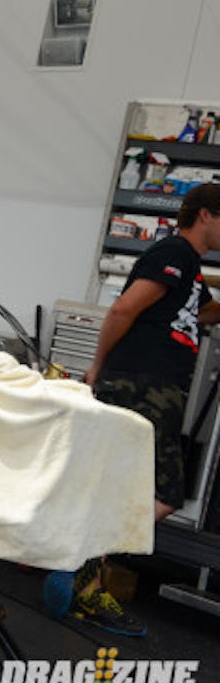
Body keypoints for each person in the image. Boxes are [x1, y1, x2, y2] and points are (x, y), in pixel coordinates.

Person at [65, 183, 220, 635]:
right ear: (207, 215)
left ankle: (81, 570)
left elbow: (205, 313)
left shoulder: (189, 268)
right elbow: (122, 311)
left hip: (156, 387)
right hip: (144, 386)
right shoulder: (172, 252)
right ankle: (80, 563)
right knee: (167, 492)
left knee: (120, 486)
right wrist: (98, 367)